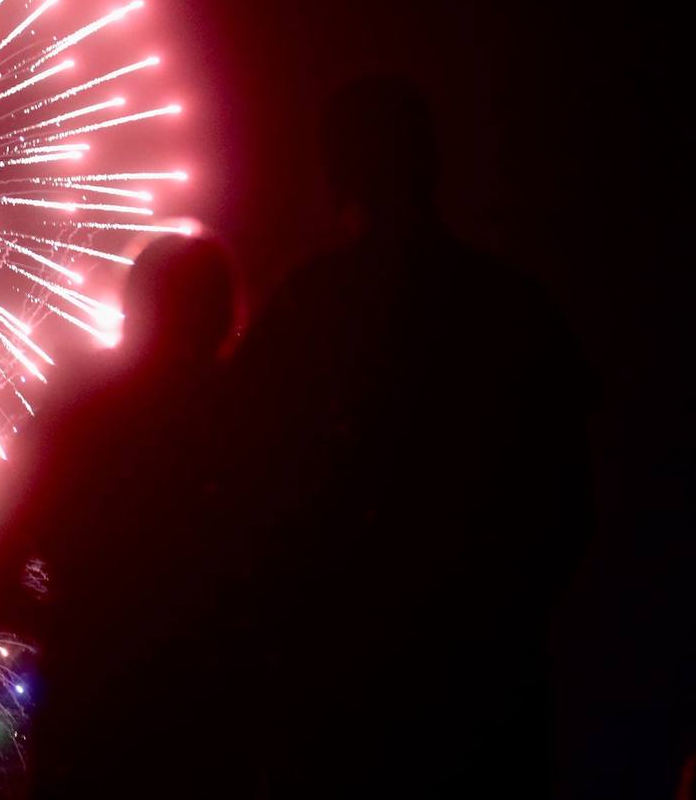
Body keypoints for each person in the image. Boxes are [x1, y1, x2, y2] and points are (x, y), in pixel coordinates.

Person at [225, 76, 591, 799]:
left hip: (344, 682)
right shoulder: (513, 307)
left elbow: (236, 483)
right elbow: (568, 505)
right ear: (431, 162)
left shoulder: (310, 306)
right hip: (485, 680)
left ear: (338, 171)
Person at [0, 234, 238, 799]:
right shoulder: (246, 416)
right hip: (208, 711)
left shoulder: (78, 407)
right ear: (221, 316)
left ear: (134, 308)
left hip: (89, 709)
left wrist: (78, 629)